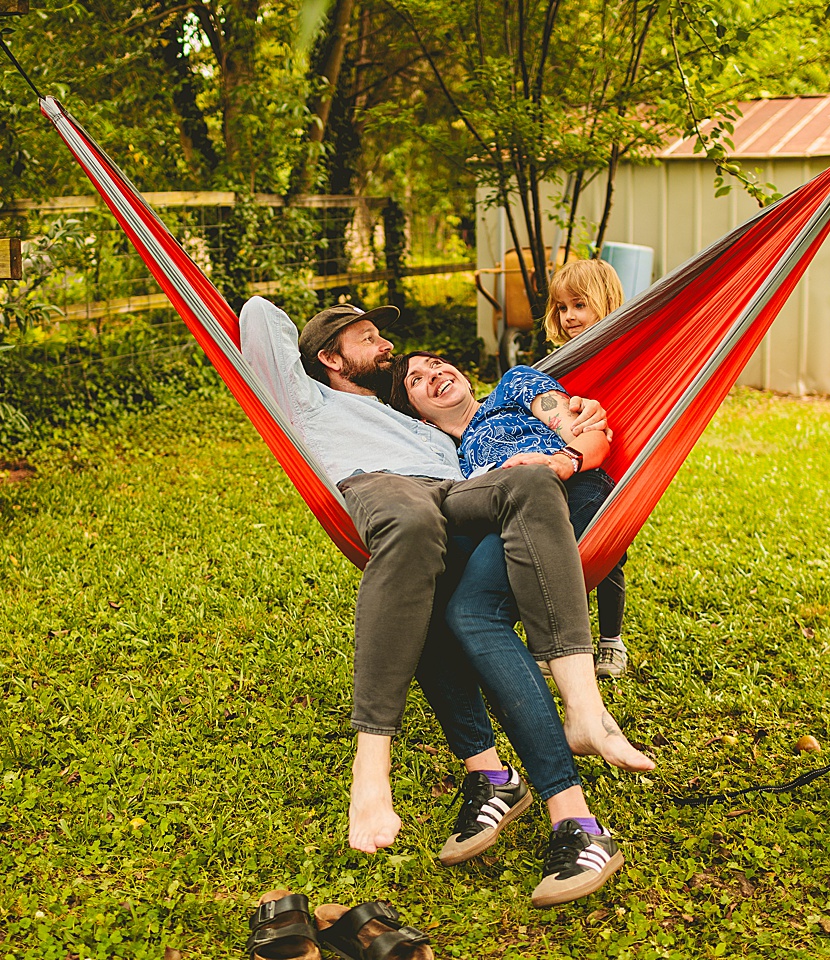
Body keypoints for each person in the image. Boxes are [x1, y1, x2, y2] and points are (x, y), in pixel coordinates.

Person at [240, 296, 644, 906]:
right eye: (368, 338)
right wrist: (338, 314)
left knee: (527, 487)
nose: (387, 347)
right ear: (329, 358)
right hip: (386, 489)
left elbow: (530, 435)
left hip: (458, 494)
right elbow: (258, 320)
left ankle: (572, 722)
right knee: (414, 551)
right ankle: (375, 765)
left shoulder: (424, 427)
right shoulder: (310, 399)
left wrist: (568, 436)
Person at [388, 349, 657, 905]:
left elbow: (585, 431)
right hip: (504, 523)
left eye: (437, 363)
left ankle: (578, 823)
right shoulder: (443, 454)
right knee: (432, 608)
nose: (434, 373)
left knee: (472, 614)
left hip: (566, 498)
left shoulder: (512, 389)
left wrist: (562, 461)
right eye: (416, 378)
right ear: (413, 409)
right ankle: (494, 780)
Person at [545, 259, 630, 678]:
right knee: (557, 547)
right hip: (565, 466)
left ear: (605, 302)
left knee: (609, 555)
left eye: (579, 305)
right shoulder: (562, 362)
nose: (569, 316)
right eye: (562, 308)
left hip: (617, 469)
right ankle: (556, 641)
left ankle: (612, 641)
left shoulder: (624, 351)